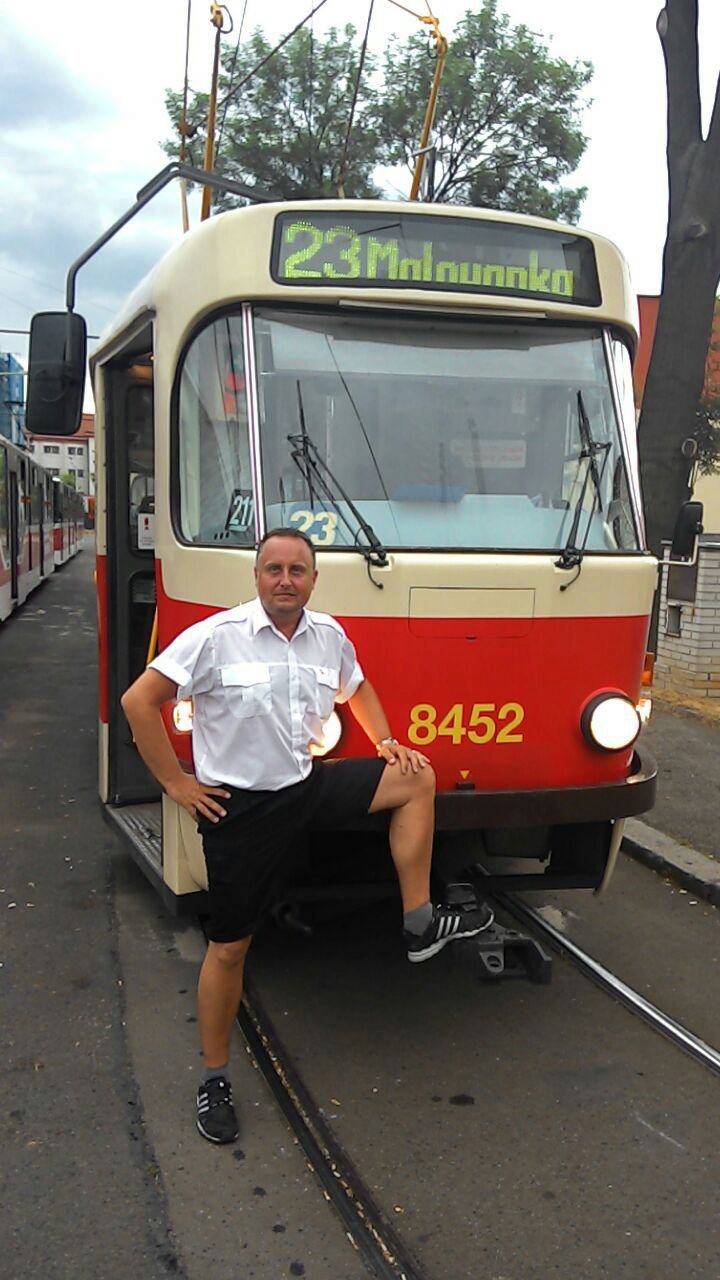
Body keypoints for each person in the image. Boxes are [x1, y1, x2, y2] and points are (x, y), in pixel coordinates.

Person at [121, 528, 493, 1145]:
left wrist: (384, 742)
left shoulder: (328, 636)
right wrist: (178, 785)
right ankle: (214, 1077)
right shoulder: (215, 638)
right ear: (257, 577)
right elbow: (140, 702)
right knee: (230, 948)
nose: (285, 579)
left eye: (297, 569)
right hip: (240, 812)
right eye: (273, 569)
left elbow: (358, 687)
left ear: (313, 579)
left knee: (415, 776)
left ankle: (419, 919)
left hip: (304, 785)